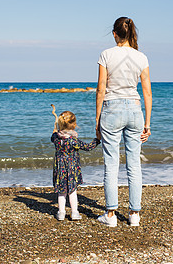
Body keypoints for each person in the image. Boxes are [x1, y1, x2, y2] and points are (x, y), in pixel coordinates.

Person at [95, 17, 152, 227]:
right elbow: (147, 92)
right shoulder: (141, 57)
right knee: (134, 164)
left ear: (114, 34)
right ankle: (134, 214)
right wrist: (147, 123)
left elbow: (101, 89)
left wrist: (97, 119)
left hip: (112, 108)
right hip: (135, 110)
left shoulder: (106, 54)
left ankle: (110, 215)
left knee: (111, 164)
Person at [51, 109, 100, 221]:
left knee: (61, 191)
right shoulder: (74, 141)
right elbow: (87, 147)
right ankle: (74, 212)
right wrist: (97, 140)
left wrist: (55, 131)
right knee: (72, 191)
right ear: (74, 125)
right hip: (72, 168)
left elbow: (52, 136)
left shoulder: (56, 139)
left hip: (60, 168)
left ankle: (61, 213)